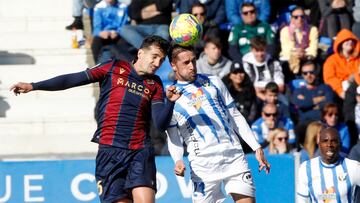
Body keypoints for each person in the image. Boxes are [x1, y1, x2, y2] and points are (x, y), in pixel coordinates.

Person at [10, 35, 181, 203]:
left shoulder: (155, 83)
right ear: (140, 53)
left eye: (161, 59)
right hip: (110, 151)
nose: (157, 63)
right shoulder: (113, 67)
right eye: (155, 57)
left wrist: (170, 103)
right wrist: (34, 86)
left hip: (140, 151)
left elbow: (159, 122)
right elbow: (72, 79)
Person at [166, 44, 270, 203]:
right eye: (186, 63)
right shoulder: (171, 97)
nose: (192, 66)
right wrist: (178, 160)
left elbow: (234, 115)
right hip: (203, 165)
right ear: (174, 65)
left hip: (233, 157)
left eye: (193, 61)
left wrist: (256, 146)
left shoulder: (213, 81)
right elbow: (172, 135)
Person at [297, 127, 360, 202]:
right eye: (325, 141)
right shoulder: (306, 169)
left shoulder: (353, 167)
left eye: (334, 141)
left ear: (340, 145)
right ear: (319, 144)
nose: (329, 144)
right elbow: (302, 200)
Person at [279, 6, 319, 81]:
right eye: (296, 17)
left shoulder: (312, 29)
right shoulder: (285, 30)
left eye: (302, 17)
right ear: (291, 19)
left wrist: (305, 55)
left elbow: (313, 49)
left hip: (306, 56)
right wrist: (293, 39)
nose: (299, 19)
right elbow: (286, 50)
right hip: (289, 58)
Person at [242, 36, 285, 101]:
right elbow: (248, 85)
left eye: (262, 50)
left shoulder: (273, 62)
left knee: (285, 103)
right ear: (251, 50)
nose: (260, 54)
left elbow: (281, 86)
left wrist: (265, 92)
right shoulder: (246, 62)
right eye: (257, 51)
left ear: (266, 49)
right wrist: (260, 94)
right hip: (254, 94)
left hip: (274, 93)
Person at [323, 29, 360, 100]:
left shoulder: (358, 59)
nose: (350, 42)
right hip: (339, 91)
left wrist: (354, 77)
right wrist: (340, 91)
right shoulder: (331, 60)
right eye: (347, 40)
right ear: (340, 43)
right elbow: (330, 79)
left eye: (352, 40)